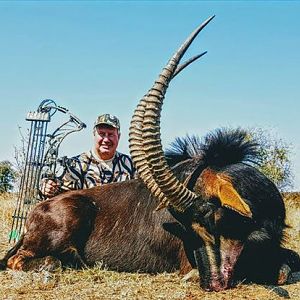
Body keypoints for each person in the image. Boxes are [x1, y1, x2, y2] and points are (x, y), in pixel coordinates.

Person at [40, 113, 135, 197]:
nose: (106, 140)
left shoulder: (131, 165)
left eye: (110, 134)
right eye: (102, 134)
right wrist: (46, 187)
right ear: (94, 134)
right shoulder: (76, 165)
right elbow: (60, 195)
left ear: (119, 136)